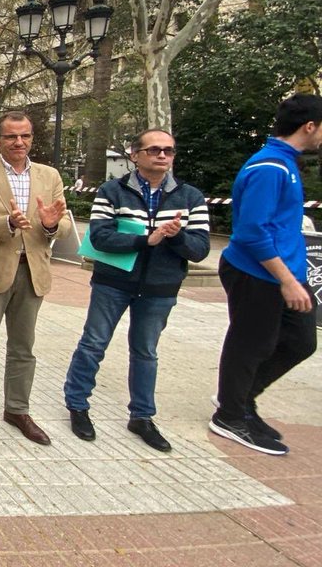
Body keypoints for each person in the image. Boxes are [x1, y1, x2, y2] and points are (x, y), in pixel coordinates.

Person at [63, 129, 210, 452]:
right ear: (136, 155)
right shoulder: (112, 191)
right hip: (113, 283)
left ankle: (142, 416)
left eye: (169, 151)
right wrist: (147, 239)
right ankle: (77, 404)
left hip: (160, 288)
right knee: (94, 343)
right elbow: (99, 238)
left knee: (146, 352)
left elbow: (200, 249)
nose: (162, 156)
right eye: (155, 149)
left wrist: (176, 237)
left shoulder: (190, 197)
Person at [211, 93, 322, 455]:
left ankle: (241, 399)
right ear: (310, 126)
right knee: (250, 343)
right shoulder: (269, 167)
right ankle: (230, 414)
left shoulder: (286, 163)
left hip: (283, 272)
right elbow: (252, 231)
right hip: (256, 272)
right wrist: (287, 280)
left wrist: (293, 275)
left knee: (302, 341)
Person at [0, 111, 71, 446]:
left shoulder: (49, 176)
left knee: (24, 347)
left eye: (25, 136)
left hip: (33, 270)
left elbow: (62, 225)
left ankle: (17, 409)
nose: (19, 142)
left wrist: (51, 225)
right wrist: (7, 223)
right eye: (11, 136)